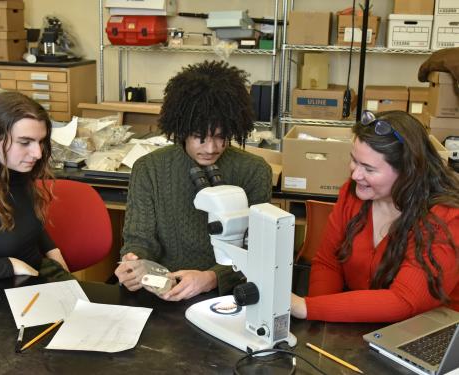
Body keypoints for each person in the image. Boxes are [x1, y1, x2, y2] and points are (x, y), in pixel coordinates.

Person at [114, 60, 272, 301]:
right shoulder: (149, 169)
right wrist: (133, 261)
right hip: (166, 293)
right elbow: (140, 239)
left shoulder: (253, 171)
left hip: (227, 295)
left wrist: (211, 277)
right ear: (181, 128)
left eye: (221, 137)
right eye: (200, 137)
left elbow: (257, 251)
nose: (211, 148)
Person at [290, 110, 459, 323]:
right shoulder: (352, 195)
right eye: (354, 160)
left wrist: (307, 307)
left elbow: (405, 300)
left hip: (426, 338)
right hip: (362, 329)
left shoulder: (446, 218)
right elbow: (328, 262)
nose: (355, 175)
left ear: (408, 172)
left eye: (369, 169)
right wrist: (322, 322)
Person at [0, 91, 71, 290]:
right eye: (25, 142)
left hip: (31, 286)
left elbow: (23, 219)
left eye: (41, 141)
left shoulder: (15, 170)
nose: (37, 153)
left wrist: (53, 250)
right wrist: (9, 266)